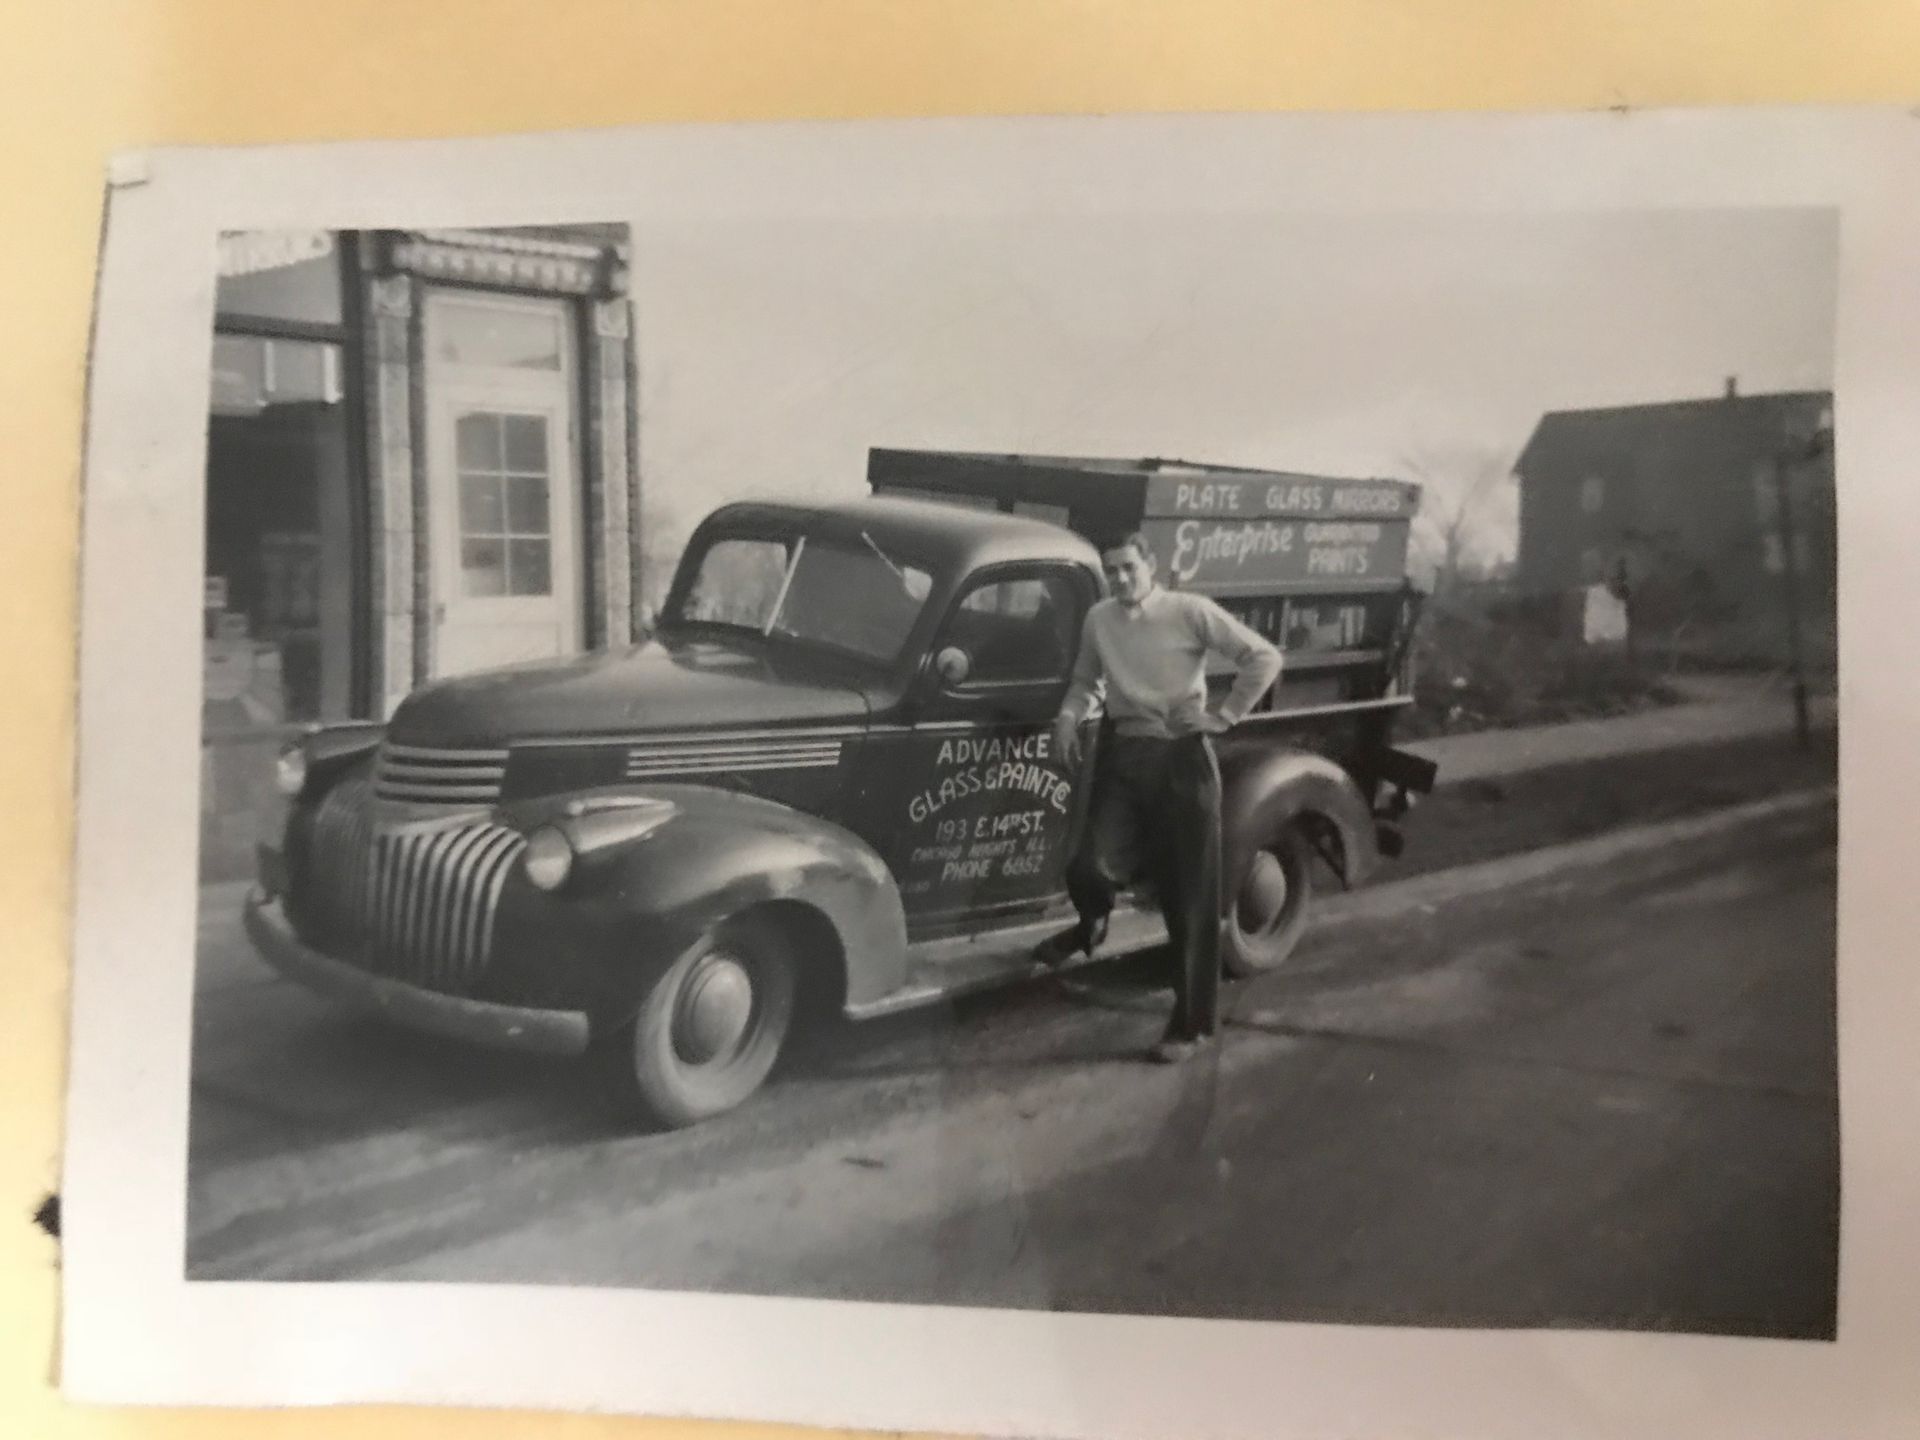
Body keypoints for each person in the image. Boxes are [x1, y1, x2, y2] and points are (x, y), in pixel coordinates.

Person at [1035, 532, 1283, 1063]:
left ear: (1152, 565)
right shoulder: (1099, 619)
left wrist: (1224, 717)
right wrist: (1067, 716)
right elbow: (1086, 680)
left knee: (1190, 900)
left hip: (1183, 761)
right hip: (1126, 756)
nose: (1121, 578)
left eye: (1129, 567)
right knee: (1087, 865)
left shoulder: (1189, 611)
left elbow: (1262, 658)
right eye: (1112, 570)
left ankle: (1189, 1027)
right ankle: (1091, 922)